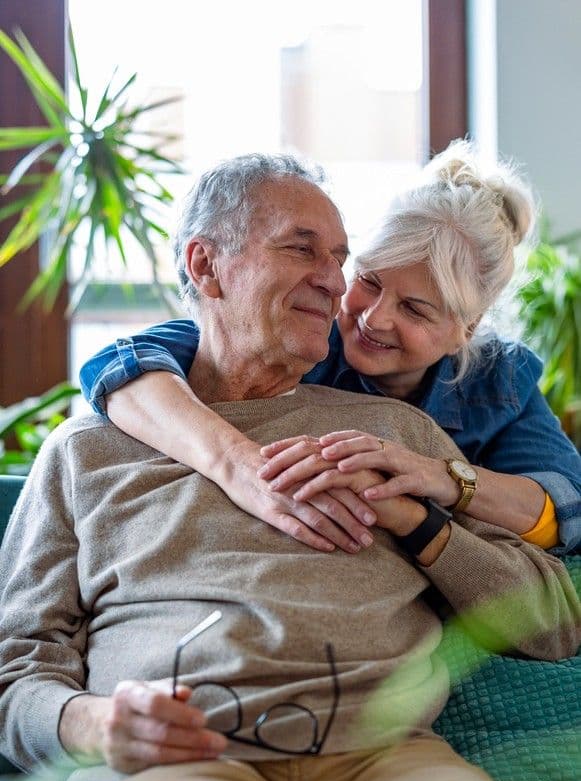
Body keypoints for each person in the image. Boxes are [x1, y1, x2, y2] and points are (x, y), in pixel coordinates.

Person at [1, 154, 579, 781]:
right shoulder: (90, 448)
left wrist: (422, 520)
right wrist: (93, 723)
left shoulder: (398, 434)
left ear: (462, 332)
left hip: (388, 763)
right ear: (206, 266)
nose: (339, 289)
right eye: (305, 251)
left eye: (337, 258)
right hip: (184, 768)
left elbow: (555, 610)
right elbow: (17, 666)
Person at [79, 141, 581, 557]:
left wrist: (442, 477)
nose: (372, 317)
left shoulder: (498, 381)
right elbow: (121, 367)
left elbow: (568, 508)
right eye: (367, 280)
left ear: (465, 330)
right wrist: (237, 464)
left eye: (414, 310)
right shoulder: (305, 338)